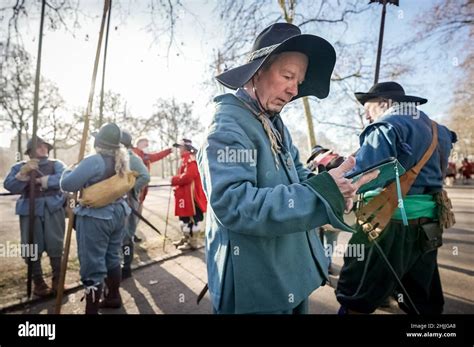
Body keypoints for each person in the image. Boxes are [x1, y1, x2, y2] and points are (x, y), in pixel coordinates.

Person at [197, 23, 377, 314]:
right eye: (287, 76)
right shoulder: (227, 124)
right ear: (257, 71)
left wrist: (340, 183)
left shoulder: (275, 123)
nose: (294, 90)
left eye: (299, 80)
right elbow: (234, 203)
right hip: (254, 283)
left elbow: (300, 177)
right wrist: (322, 193)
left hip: (290, 273)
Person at [336, 81, 458, 314]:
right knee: (421, 302)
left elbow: (364, 176)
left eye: (368, 106)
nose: (366, 112)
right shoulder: (439, 130)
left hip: (387, 224)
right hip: (429, 224)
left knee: (356, 296)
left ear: (384, 103)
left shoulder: (387, 125)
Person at [60, 123, 130, 314]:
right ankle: (113, 297)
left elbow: (67, 184)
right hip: (118, 213)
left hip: (96, 217)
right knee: (112, 257)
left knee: (92, 265)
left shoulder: (93, 161)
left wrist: (70, 169)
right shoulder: (122, 160)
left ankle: (90, 311)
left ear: (97, 142)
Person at [4, 137, 66, 297]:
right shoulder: (19, 167)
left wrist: (40, 180)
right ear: (30, 150)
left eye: (45, 145)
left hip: (52, 208)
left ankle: (58, 280)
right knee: (31, 245)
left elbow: (64, 179)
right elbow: (10, 185)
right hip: (29, 209)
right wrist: (23, 173)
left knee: (56, 244)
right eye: (39, 146)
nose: (43, 148)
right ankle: (38, 282)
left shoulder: (56, 164)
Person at [306, 145, 345, 274]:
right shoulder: (339, 159)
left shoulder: (318, 163)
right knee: (330, 242)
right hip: (341, 213)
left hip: (322, 211)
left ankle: (320, 267)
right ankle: (326, 264)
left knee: (317, 240)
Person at [119, 131, 150, 279]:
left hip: (129, 202)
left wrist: (131, 189)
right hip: (118, 203)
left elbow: (145, 176)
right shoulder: (117, 157)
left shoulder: (132, 158)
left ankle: (126, 266)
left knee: (126, 236)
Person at [132, 138, 172, 242]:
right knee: (133, 212)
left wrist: (168, 151)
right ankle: (129, 236)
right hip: (135, 188)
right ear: (140, 143)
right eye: (146, 144)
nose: (147, 146)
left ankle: (132, 233)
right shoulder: (136, 153)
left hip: (142, 189)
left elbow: (156, 156)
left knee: (138, 212)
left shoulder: (144, 155)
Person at [171, 139, 207, 251]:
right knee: (184, 220)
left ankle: (192, 242)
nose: (179, 150)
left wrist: (174, 180)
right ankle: (186, 239)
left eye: (180, 147)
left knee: (191, 220)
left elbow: (189, 176)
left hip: (192, 197)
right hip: (185, 196)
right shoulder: (185, 159)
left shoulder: (191, 160)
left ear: (185, 148)